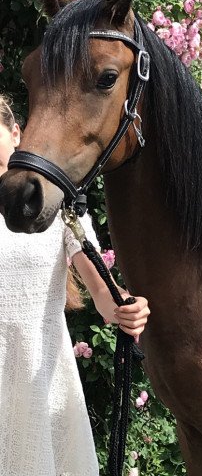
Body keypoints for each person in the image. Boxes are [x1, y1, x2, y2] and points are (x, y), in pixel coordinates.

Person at [0, 94, 150, 474]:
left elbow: (102, 293)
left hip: (40, 379)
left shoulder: (55, 208)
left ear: (15, 133)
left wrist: (124, 308)